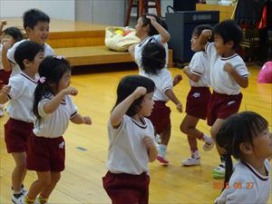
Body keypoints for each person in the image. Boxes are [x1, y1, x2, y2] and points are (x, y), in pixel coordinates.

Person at [24, 56, 92, 204]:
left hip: (57, 142)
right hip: (39, 143)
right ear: (51, 82)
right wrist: (64, 93)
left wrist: (83, 120)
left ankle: (43, 199)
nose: (70, 81)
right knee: (44, 179)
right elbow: (48, 109)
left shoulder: (66, 98)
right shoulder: (44, 98)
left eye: (70, 77)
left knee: (56, 176)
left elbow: (73, 116)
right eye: (66, 78)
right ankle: (28, 199)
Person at [200, 20, 250, 179]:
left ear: (229, 43)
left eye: (216, 40)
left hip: (231, 99)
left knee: (215, 131)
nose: (213, 43)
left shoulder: (236, 61)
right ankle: (225, 160)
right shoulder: (215, 52)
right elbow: (201, 44)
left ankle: (227, 162)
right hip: (215, 97)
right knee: (221, 133)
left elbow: (245, 83)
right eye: (213, 39)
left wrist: (233, 72)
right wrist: (203, 34)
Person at [0, 41, 44, 204]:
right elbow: (2, 101)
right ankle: (17, 192)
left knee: (28, 163)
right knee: (22, 163)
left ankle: (17, 186)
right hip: (16, 129)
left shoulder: (40, 80)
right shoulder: (18, 81)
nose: (43, 61)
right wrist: (3, 94)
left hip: (33, 129)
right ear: (27, 62)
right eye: (40, 58)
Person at [102, 75, 157, 204]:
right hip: (121, 182)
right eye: (150, 98)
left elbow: (152, 158)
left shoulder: (148, 124)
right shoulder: (123, 122)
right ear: (136, 101)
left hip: (142, 179)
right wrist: (133, 95)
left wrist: (153, 147)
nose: (153, 102)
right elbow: (114, 116)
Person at [214, 111, 271, 204]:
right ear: (247, 148)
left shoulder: (262, 163)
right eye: (264, 133)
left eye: (267, 130)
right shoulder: (246, 185)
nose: (270, 134)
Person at [141, 42, 182, 164]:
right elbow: (165, 90)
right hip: (159, 107)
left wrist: (173, 82)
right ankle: (161, 151)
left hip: (145, 106)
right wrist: (177, 102)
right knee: (167, 128)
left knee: (149, 130)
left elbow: (159, 88)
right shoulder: (165, 73)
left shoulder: (144, 72)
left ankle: (143, 152)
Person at [180, 25, 214, 167]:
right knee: (190, 127)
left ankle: (207, 139)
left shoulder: (199, 55)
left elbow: (194, 77)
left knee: (185, 127)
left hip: (199, 94)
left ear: (202, 40)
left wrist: (186, 69)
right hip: (197, 93)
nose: (191, 41)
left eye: (195, 38)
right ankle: (195, 155)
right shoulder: (205, 55)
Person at [5, 8, 54, 77]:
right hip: (19, 86)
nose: (45, 33)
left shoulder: (49, 51)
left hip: (37, 87)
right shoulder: (19, 46)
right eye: (41, 29)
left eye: (47, 29)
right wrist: (4, 51)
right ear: (28, 30)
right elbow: (7, 68)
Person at [0, 21, 24, 116]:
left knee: (7, 92)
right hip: (3, 72)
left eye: (8, 37)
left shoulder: (14, 50)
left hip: (8, 73)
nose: (4, 39)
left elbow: (8, 68)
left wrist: (4, 51)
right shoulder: (3, 46)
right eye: (3, 37)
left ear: (16, 40)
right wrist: (1, 26)